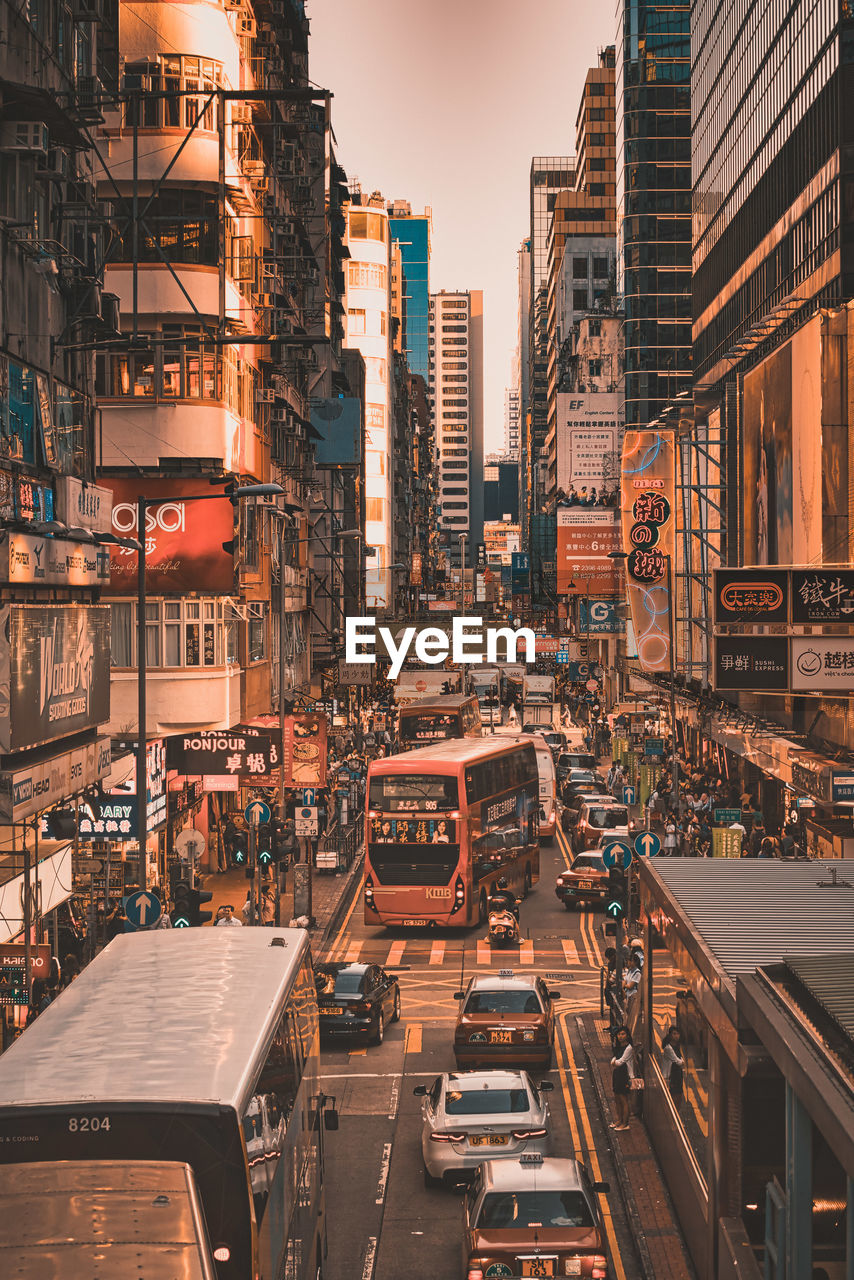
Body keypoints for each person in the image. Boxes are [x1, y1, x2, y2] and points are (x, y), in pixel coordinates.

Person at [610, 1027, 635, 1130]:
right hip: (617, 1074)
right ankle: (619, 1120)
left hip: (624, 1075)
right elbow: (616, 1059)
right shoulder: (618, 1046)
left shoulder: (629, 1048)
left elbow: (620, 1062)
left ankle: (625, 1123)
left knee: (623, 1099)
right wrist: (615, 1061)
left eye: (623, 1034)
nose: (620, 1036)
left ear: (627, 1036)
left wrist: (613, 1062)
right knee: (617, 1098)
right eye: (619, 1034)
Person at [661, 1026, 684, 1106]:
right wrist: (681, 1062)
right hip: (671, 1077)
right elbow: (679, 1062)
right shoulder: (668, 1048)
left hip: (678, 1076)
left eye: (678, 1034)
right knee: (674, 1100)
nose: (676, 1036)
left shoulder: (676, 1047)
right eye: (674, 1034)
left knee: (679, 1099)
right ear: (670, 1035)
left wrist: (681, 1062)